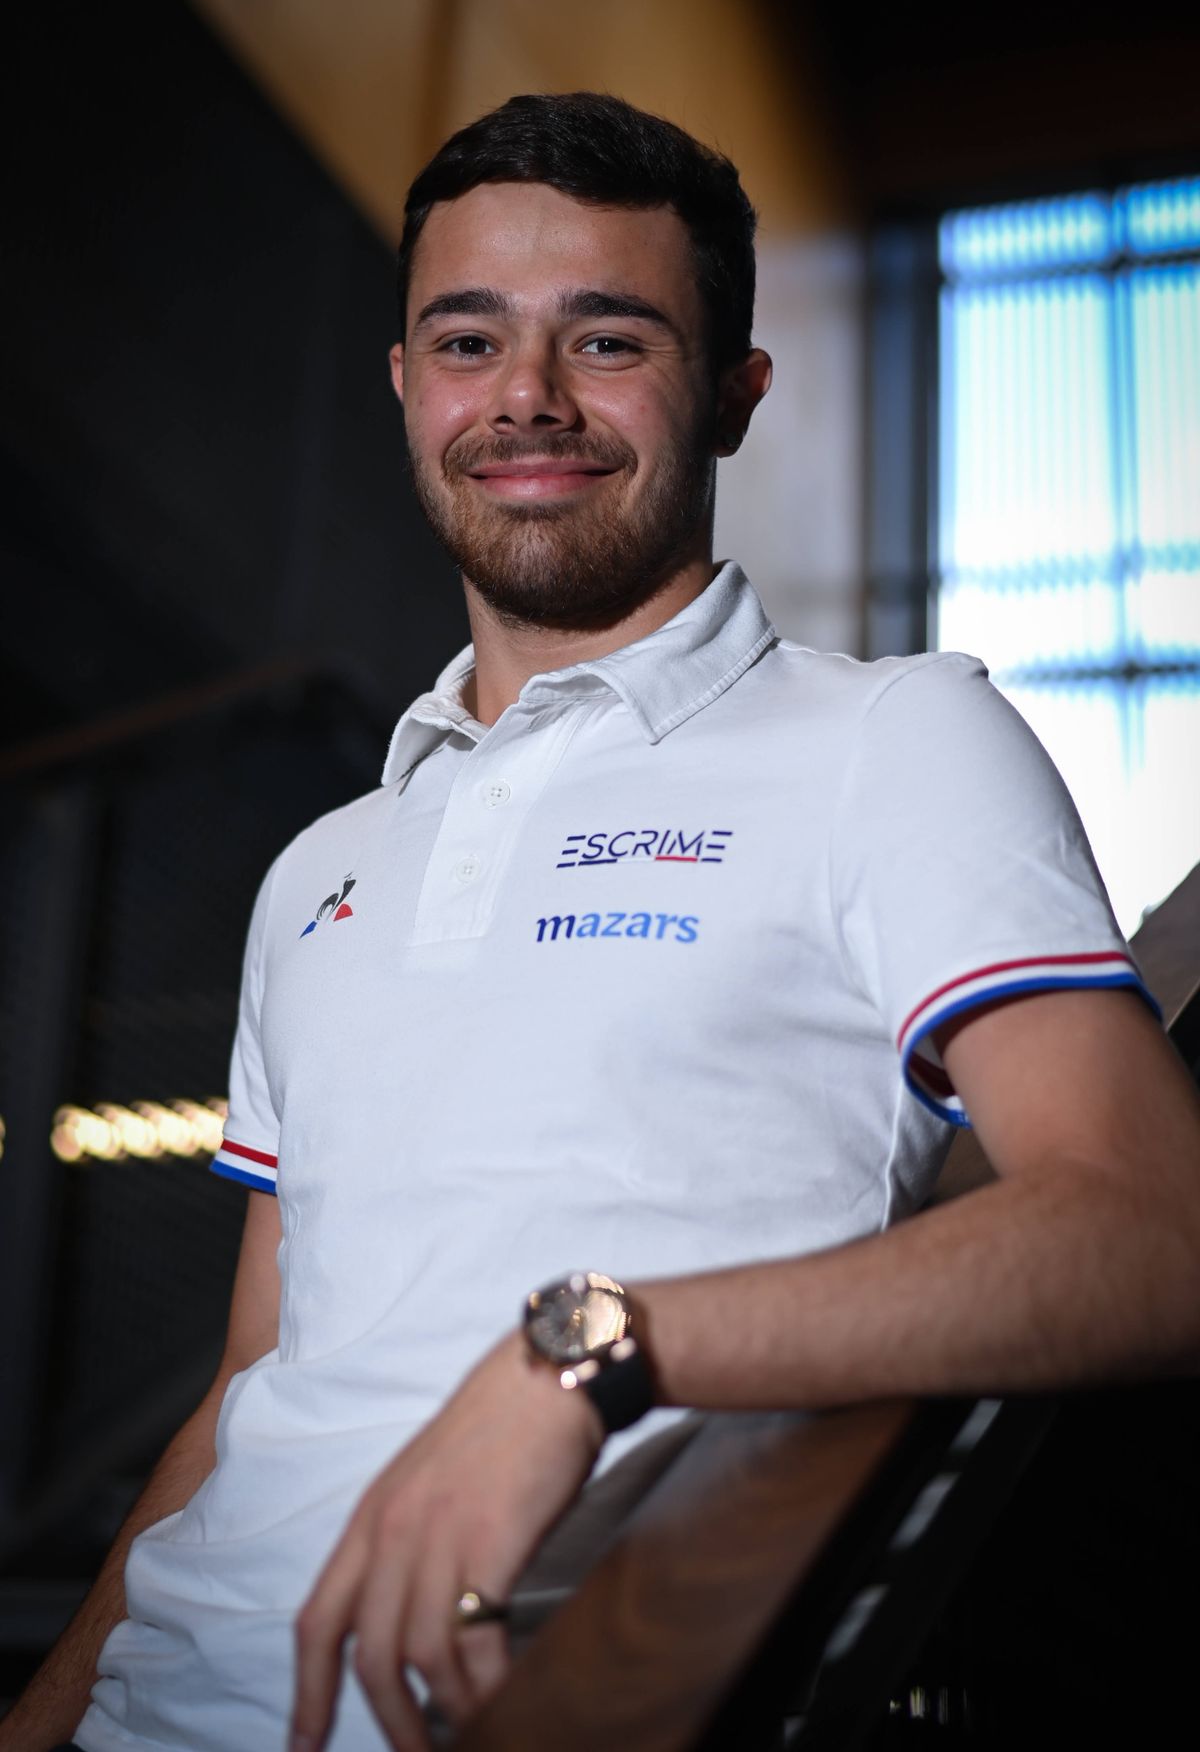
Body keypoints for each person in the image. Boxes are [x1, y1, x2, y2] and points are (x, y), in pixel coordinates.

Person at [6, 92, 1200, 1752]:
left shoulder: (895, 739)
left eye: (610, 338)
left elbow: (1153, 1235)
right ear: (407, 387)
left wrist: (589, 1352)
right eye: (469, 339)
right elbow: (254, 1388)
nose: (528, 402)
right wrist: (49, 1710)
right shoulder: (318, 872)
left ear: (732, 394)